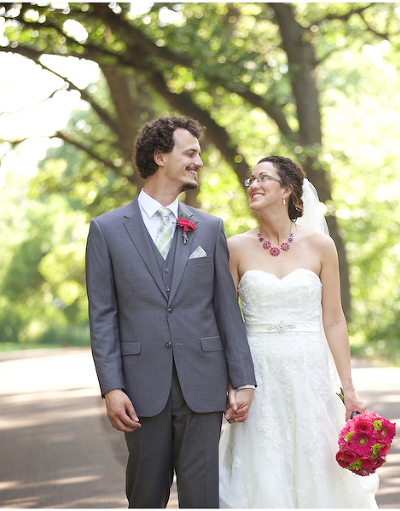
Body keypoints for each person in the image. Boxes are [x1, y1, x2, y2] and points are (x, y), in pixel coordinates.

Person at [86, 115, 256, 508]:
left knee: (202, 499)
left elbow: (225, 309)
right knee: (145, 496)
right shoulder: (107, 230)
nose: (198, 161)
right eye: (191, 152)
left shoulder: (209, 228)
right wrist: (112, 388)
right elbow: (103, 318)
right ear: (160, 156)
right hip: (140, 389)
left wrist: (243, 379)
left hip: (204, 384)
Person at [217, 155, 379, 508]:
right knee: (262, 468)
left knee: (315, 466)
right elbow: (228, 324)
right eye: (250, 180)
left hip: (310, 374)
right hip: (257, 376)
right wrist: (233, 384)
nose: (253, 185)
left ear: (287, 190)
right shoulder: (233, 247)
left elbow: (334, 319)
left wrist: (348, 390)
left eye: (263, 178)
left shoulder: (321, 246)